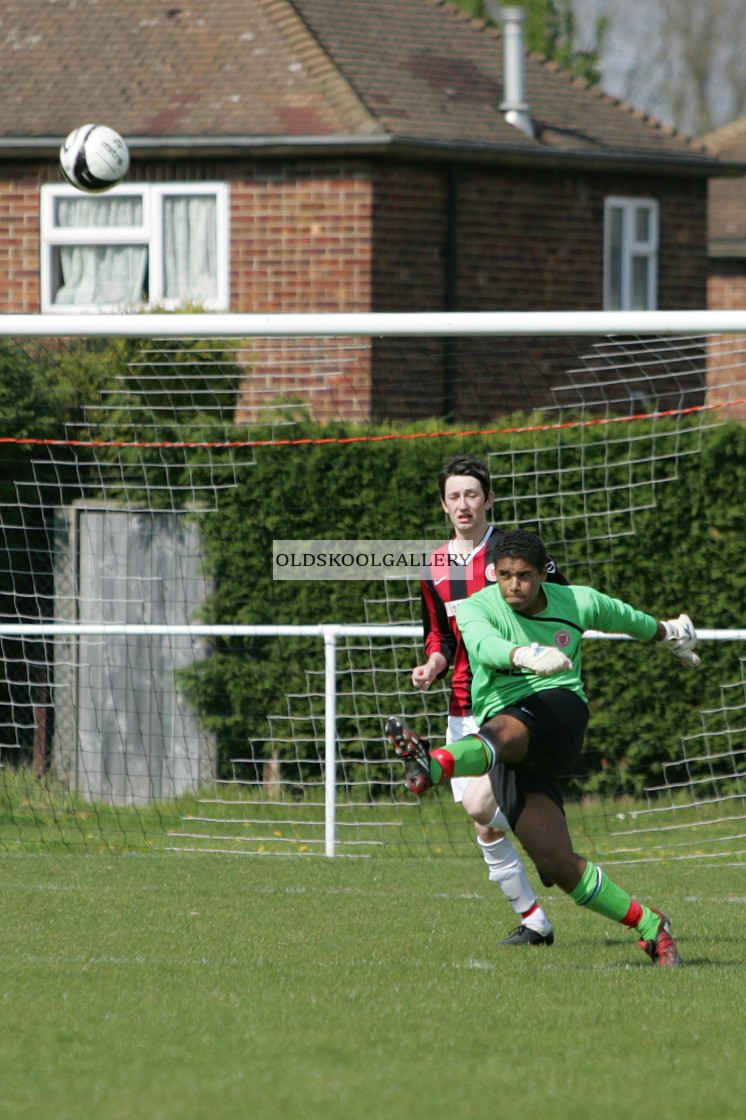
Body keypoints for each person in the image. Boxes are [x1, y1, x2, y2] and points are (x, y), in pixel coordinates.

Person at [388, 528, 700, 967]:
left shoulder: (576, 601)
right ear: (494, 573)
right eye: (506, 575)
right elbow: (481, 645)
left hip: (559, 713)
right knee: (558, 864)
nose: (515, 585)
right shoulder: (478, 606)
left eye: (526, 576)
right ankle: (652, 927)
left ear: (542, 575)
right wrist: (523, 655)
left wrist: (671, 633)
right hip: (508, 740)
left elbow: (630, 620)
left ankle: (433, 766)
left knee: (505, 731)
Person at [387, 453, 567, 947]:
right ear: (443, 506)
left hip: (514, 703)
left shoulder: (515, 556)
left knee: (479, 804)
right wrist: (432, 664)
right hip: (461, 706)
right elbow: (438, 636)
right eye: (454, 497)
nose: (463, 505)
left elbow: (562, 609)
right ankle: (535, 920)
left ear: (488, 499)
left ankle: (550, 854)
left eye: (472, 494)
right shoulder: (435, 567)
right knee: (482, 820)